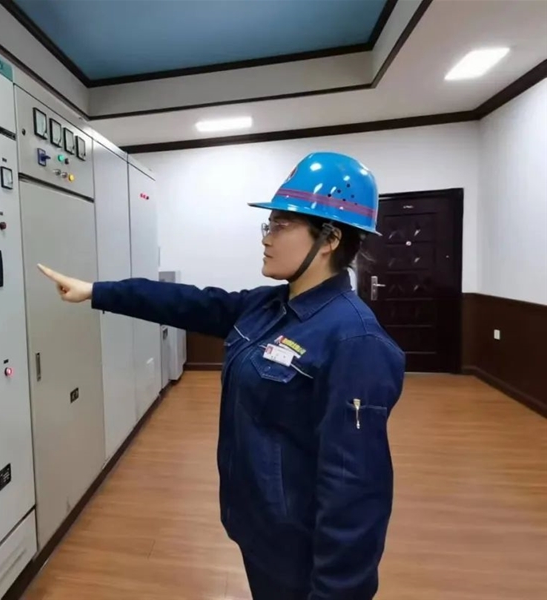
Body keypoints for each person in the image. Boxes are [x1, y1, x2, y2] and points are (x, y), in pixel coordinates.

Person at [38, 152, 405, 600]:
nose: (266, 237)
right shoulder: (267, 307)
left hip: (300, 549)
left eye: (281, 225)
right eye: (268, 224)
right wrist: (97, 291)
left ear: (329, 239)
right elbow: (187, 302)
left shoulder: (355, 341)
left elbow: (355, 489)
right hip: (257, 527)